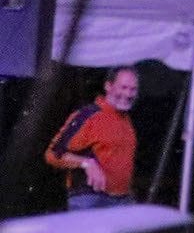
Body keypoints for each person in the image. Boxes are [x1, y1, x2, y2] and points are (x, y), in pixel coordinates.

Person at [44, 66, 140, 209]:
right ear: (108, 86)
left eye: (133, 89)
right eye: (123, 87)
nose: (128, 94)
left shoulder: (125, 119)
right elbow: (52, 154)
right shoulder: (89, 115)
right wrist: (86, 163)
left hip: (122, 200)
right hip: (91, 199)